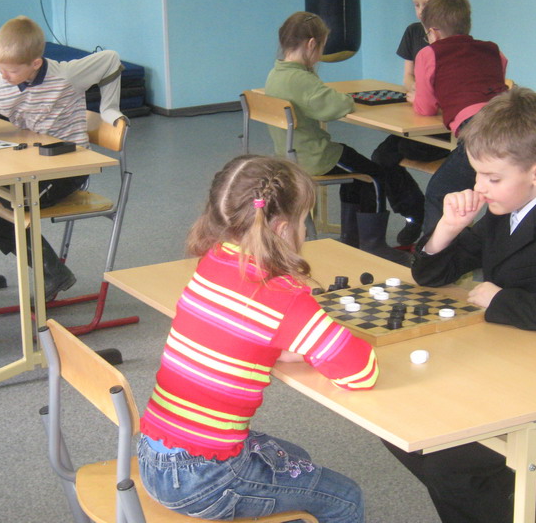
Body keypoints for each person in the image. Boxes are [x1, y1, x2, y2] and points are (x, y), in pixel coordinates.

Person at [383, 87, 536, 523]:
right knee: (404, 430)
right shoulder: (504, 207)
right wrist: (448, 229)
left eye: (491, 178)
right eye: (476, 175)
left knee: (446, 460)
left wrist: (500, 299)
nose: (478, 187)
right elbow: (432, 275)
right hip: (507, 361)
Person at [138, 154, 378, 522]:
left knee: (297, 458)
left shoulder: (214, 259)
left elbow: (235, 332)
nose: (304, 231)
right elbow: (360, 374)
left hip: (155, 455)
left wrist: (284, 349)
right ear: (282, 229)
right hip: (209, 478)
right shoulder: (284, 296)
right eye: (304, 221)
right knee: (346, 497)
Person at [0, 15, 125, 298]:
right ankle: (54, 273)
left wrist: (109, 108)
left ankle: (53, 275)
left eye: (10, 70)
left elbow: (110, 60)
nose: (3, 75)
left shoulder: (65, 77)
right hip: (31, 166)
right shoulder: (1, 82)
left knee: (7, 212)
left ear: (35, 63)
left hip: (68, 169)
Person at [265, 11, 409, 265]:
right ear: (312, 44)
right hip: (315, 156)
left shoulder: (277, 73)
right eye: (322, 47)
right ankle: (373, 245)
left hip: (290, 155)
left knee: (356, 173)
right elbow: (336, 106)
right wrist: (342, 97)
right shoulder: (301, 79)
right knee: (374, 176)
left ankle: (351, 240)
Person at [409, 0, 508, 236]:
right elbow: (496, 77)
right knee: (504, 189)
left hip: (478, 132)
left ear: (433, 33)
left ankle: (435, 253)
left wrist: (415, 97)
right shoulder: (492, 50)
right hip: (509, 119)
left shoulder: (429, 54)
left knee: (440, 192)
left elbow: (426, 108)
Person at [371, 0, 456, 245]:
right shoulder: (413, 32)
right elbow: (408, 76)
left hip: (443, 128)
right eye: (416, 5)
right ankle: (413, 213)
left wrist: (427, 95)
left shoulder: (453, 37)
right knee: (380, 158)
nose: (420, 11)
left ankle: (437, 224)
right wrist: (416, 89)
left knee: (408, 150)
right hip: (418, 120)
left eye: (426, 4)